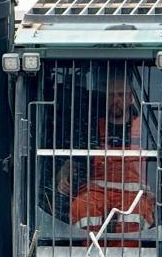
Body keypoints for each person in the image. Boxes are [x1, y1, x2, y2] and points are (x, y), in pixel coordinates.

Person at [58, 73, 155, 236]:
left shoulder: (146, 130)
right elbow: (75, 159)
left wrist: (154, 190)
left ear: (130, 98)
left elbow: (156, 165)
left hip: (134, 194)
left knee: (137, 211)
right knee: (82, 206)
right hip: (97, 193)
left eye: (120, 94)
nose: (115, 99)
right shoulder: (92, 129)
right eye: (111, 94)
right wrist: (64, 174)